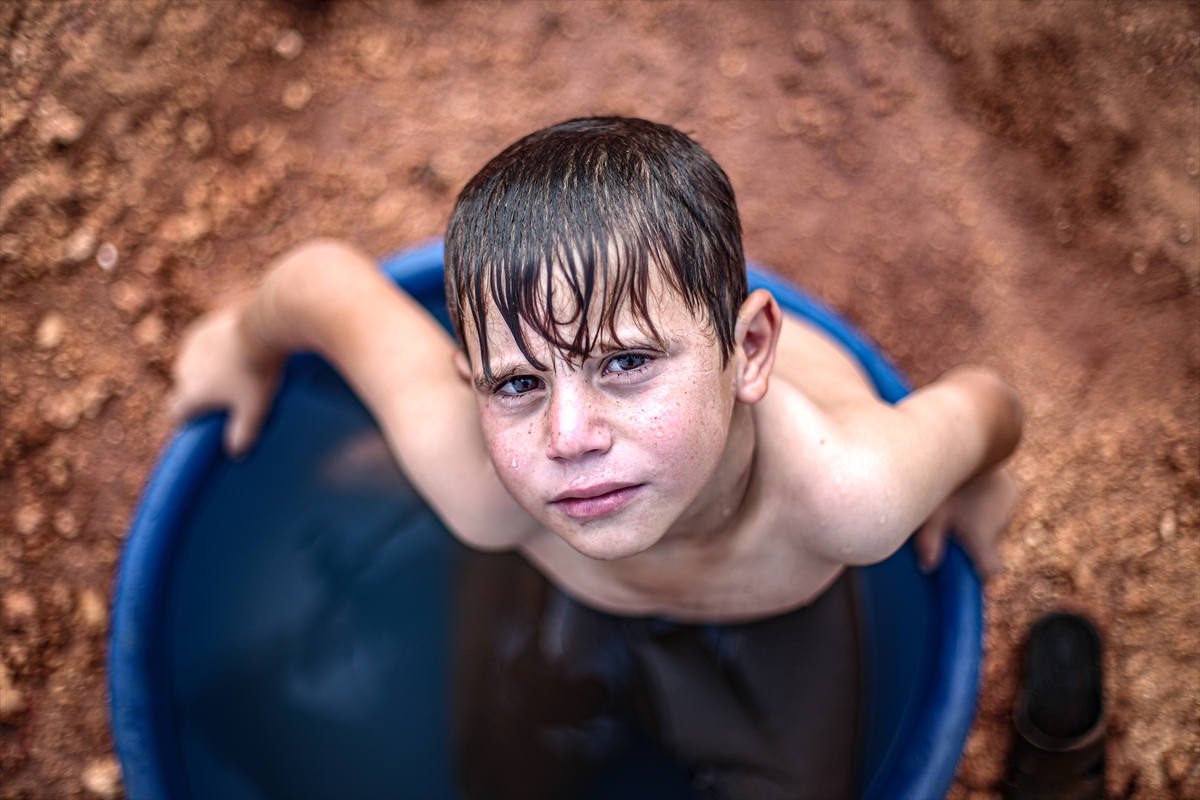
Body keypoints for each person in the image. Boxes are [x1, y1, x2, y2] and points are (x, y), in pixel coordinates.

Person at [170, 117, 1022, 799]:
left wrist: (978, 477)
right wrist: (244, 343)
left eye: (625, 364)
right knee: (505, 770)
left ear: (751, 348)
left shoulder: (852, 490)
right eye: (515, 384)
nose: (568, 437)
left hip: (779, 616)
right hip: (568, 584)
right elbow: (326, 285)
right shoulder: (481, 482)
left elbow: (989, 402)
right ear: (471, 382)